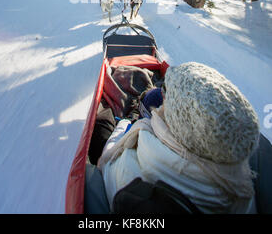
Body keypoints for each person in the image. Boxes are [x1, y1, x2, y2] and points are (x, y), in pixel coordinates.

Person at [97, 62, 260, 214]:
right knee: (152, 96)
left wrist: (126, 123)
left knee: (103, 125)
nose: (164, 95)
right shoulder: (242, 176)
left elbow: (107, 158)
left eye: (166, 92)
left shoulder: (131, 171)